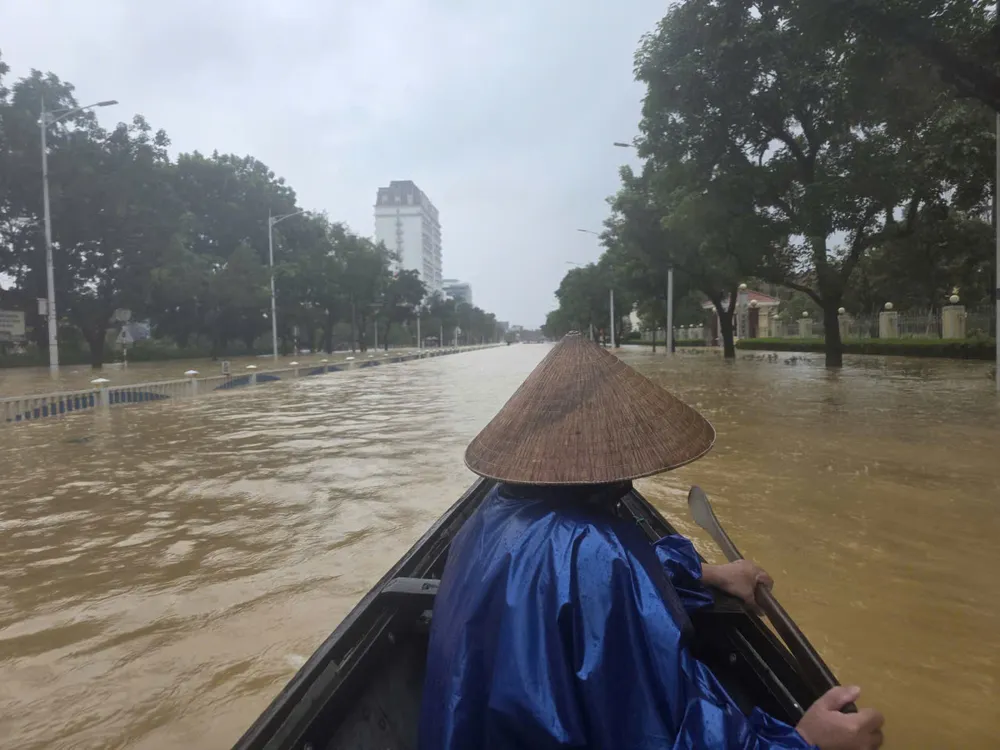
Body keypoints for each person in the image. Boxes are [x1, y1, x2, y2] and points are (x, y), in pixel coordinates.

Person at [419, 333, 884, 750]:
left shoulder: (488, 518)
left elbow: (598, 586)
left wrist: (707, 573)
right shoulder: (596, 549)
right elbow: (662, 733)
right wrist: (805, 742)